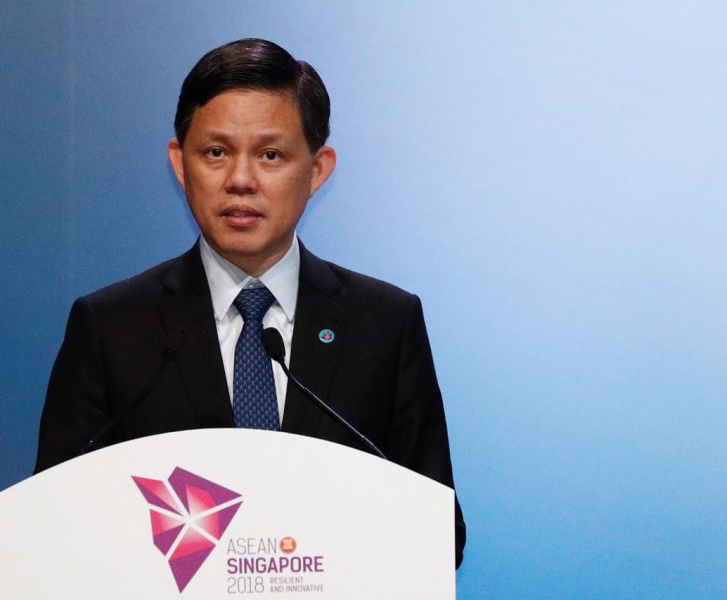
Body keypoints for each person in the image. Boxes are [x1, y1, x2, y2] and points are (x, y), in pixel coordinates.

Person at [34, 38, 466, 567]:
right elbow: (55, 527)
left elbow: (440, 533)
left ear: (317, 169)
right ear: (179, 162)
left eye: (270, 155)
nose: (240, 180)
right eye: (215, 152)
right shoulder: (111, 328)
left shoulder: (384, 325)